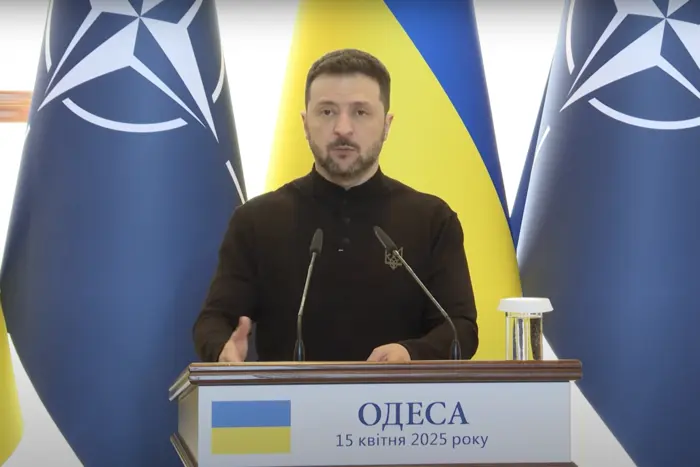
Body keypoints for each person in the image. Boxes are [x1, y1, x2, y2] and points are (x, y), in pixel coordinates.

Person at [192, 48, 479, 363]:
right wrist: (222, 349)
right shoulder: (256, 221)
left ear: (387, 125)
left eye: (360, 112)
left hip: (398, 395)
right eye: (327, 112)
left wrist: (411, 353)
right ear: (305, 123)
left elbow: (460, 328)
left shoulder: (432, 220)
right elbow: (214, 320)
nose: (343, 129)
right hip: (289, 396)